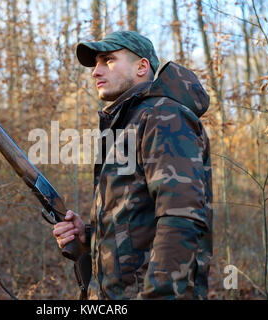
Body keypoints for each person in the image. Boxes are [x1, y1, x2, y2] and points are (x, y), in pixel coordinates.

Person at [53, 31, 213, 300]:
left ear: (142, 67)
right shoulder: (129, 124)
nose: (95, 71)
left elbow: (181, 218)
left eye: (108, 60)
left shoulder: (164, 116)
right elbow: (135, 220)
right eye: (96, 63)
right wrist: (89, 236)